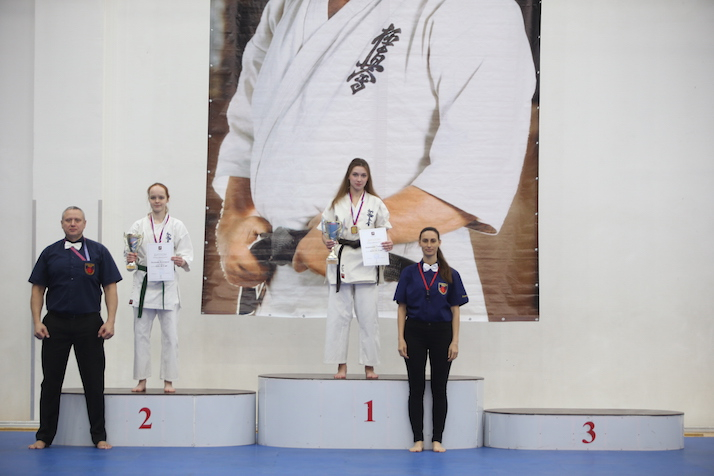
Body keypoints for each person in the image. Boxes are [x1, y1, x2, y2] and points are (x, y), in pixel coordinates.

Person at [212, 0, 536, 320]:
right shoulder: (287, 5)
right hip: (283, 286)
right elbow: (249, 124)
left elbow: (476, 167)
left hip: (393, 285)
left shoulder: (477, 8)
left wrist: (352, 229)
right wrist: (236, 214)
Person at [29, 206, 121, 450]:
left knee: (93, 381)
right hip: (55, 324)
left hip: (89, 323)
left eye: (77, 220)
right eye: (68, 220)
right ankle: (44, 436)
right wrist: (37, 321)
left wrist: (110, 320)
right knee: (51, 382)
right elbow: (37, 289)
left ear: (84, 223)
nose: (73, 223)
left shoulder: (99, 252)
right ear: (62, 224)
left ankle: (99, 436)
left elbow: (110, 287)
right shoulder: (49, 253)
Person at [394, 227, 468, 453]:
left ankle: (437, 439)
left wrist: (455, 341)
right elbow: (401, 308)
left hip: (442, 333)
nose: (429, 244)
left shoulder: (450, 274)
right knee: (416, 387)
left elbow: (455, 310)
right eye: (425, 240)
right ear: (419, 243)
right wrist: (401, 338)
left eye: (432, 240)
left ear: (439, 243)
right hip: (414, 332)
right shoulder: (409, 273)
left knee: (439, 387)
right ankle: (418, 439)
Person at [320, 158, 393, 379]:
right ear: (348, 177)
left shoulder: (375, 203)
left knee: (369, 318)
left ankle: (369, 366)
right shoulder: (336, 203)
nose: (359, 179)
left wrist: (388, 242)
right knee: (338, 317)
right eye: (355, 175)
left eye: (363, 175)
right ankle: (341, 366)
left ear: (368, 178)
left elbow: (385, 230)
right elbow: (325, 230)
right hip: (341, 259)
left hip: (367, 260)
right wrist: (327, 241)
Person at [125, 183, 194, 393]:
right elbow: (129, 255)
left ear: (167, 199)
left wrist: (182, 260)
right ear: (149, 199)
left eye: (161, 197)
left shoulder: (177, 226)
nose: (157, 201)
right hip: (144, 284)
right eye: (153, 197)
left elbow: (187, 252)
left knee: (170, 336)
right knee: (141, 335)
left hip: (167, 286)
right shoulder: (138, 226)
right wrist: (130, 257)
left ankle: (169, 381)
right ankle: (142, 380)